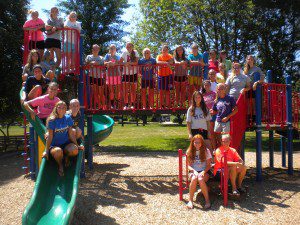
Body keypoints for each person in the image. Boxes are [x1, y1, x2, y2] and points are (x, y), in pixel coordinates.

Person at [43, 101, 83, 176]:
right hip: (55, 145)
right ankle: (61, 165)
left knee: (74, 150)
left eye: (64, 108)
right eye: (59, 107)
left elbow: (70, 134)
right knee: (58, 151)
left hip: (66, 143)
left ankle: (66, 157)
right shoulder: (52, 120)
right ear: (56, 108)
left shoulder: (68, 118)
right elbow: (50, 136)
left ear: (66, 109)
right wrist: (46, 151)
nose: (61, 109)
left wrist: (77, 145)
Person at [186, 134, 212, 209]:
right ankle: (190, 200)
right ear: (192, 143)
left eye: (199, 142)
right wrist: (194, 171)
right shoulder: (189, 151)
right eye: (195, 142)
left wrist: (203, 172)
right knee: (194, 178)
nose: (197, 144)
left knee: (200, 179)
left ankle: (207, 201)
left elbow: (208, 165)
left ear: (202, 143)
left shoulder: (206, 151)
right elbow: (188, 165)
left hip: (204, 171)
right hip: (193, 171)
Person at [119, 42, 139, 109]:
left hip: (134, 73)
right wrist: (125, 63)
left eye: (130, 46)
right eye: (127, 46)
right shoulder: (124, 53)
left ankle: (133, 104)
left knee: (133, 90)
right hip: (125, 74)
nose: (128, 47)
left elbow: (136, 62)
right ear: (126, 47)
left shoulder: (135, 52)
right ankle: (126, 105)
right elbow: (120, 62)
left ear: (132, 47)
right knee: (125, 90)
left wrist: (129, 63)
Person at [85, 44, 105, 109]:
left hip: (99, 77)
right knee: (95, 92)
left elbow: (104, 68)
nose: (95, 50)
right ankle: (99, 105)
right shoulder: (89, 57)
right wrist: (91, 63)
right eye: (94, 49)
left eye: (97, 49)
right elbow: (85, 65)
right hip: (92, 77)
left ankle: (103, 105)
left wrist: (98, 64)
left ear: (99, 50)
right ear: (92, 50)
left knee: (101, 92)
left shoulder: (101, 58)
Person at [104, 44, 121, 109]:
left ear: (115, 50)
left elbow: (119, 62)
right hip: (110, 75)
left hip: (117, 74)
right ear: (109, 49)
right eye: (111, 48)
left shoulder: (118, 56)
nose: (112, 49)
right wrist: (109, 63)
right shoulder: (107, 55)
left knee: (117, 90)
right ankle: (112, 104)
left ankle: (117, 104)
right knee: (111, 90)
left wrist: (114, 63)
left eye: (113, 48)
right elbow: (104, 63)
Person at [202, 80, 217, 151]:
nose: (206, 86)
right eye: (205, 85)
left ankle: (214, 149)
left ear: (210, 86)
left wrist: (213, 110)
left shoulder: (214, 94)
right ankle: (208, 149)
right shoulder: (202, 95)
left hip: (212, 115)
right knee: (206, 134)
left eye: (208, 85)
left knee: (212, 133)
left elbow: (217, 103)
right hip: (205, 115)